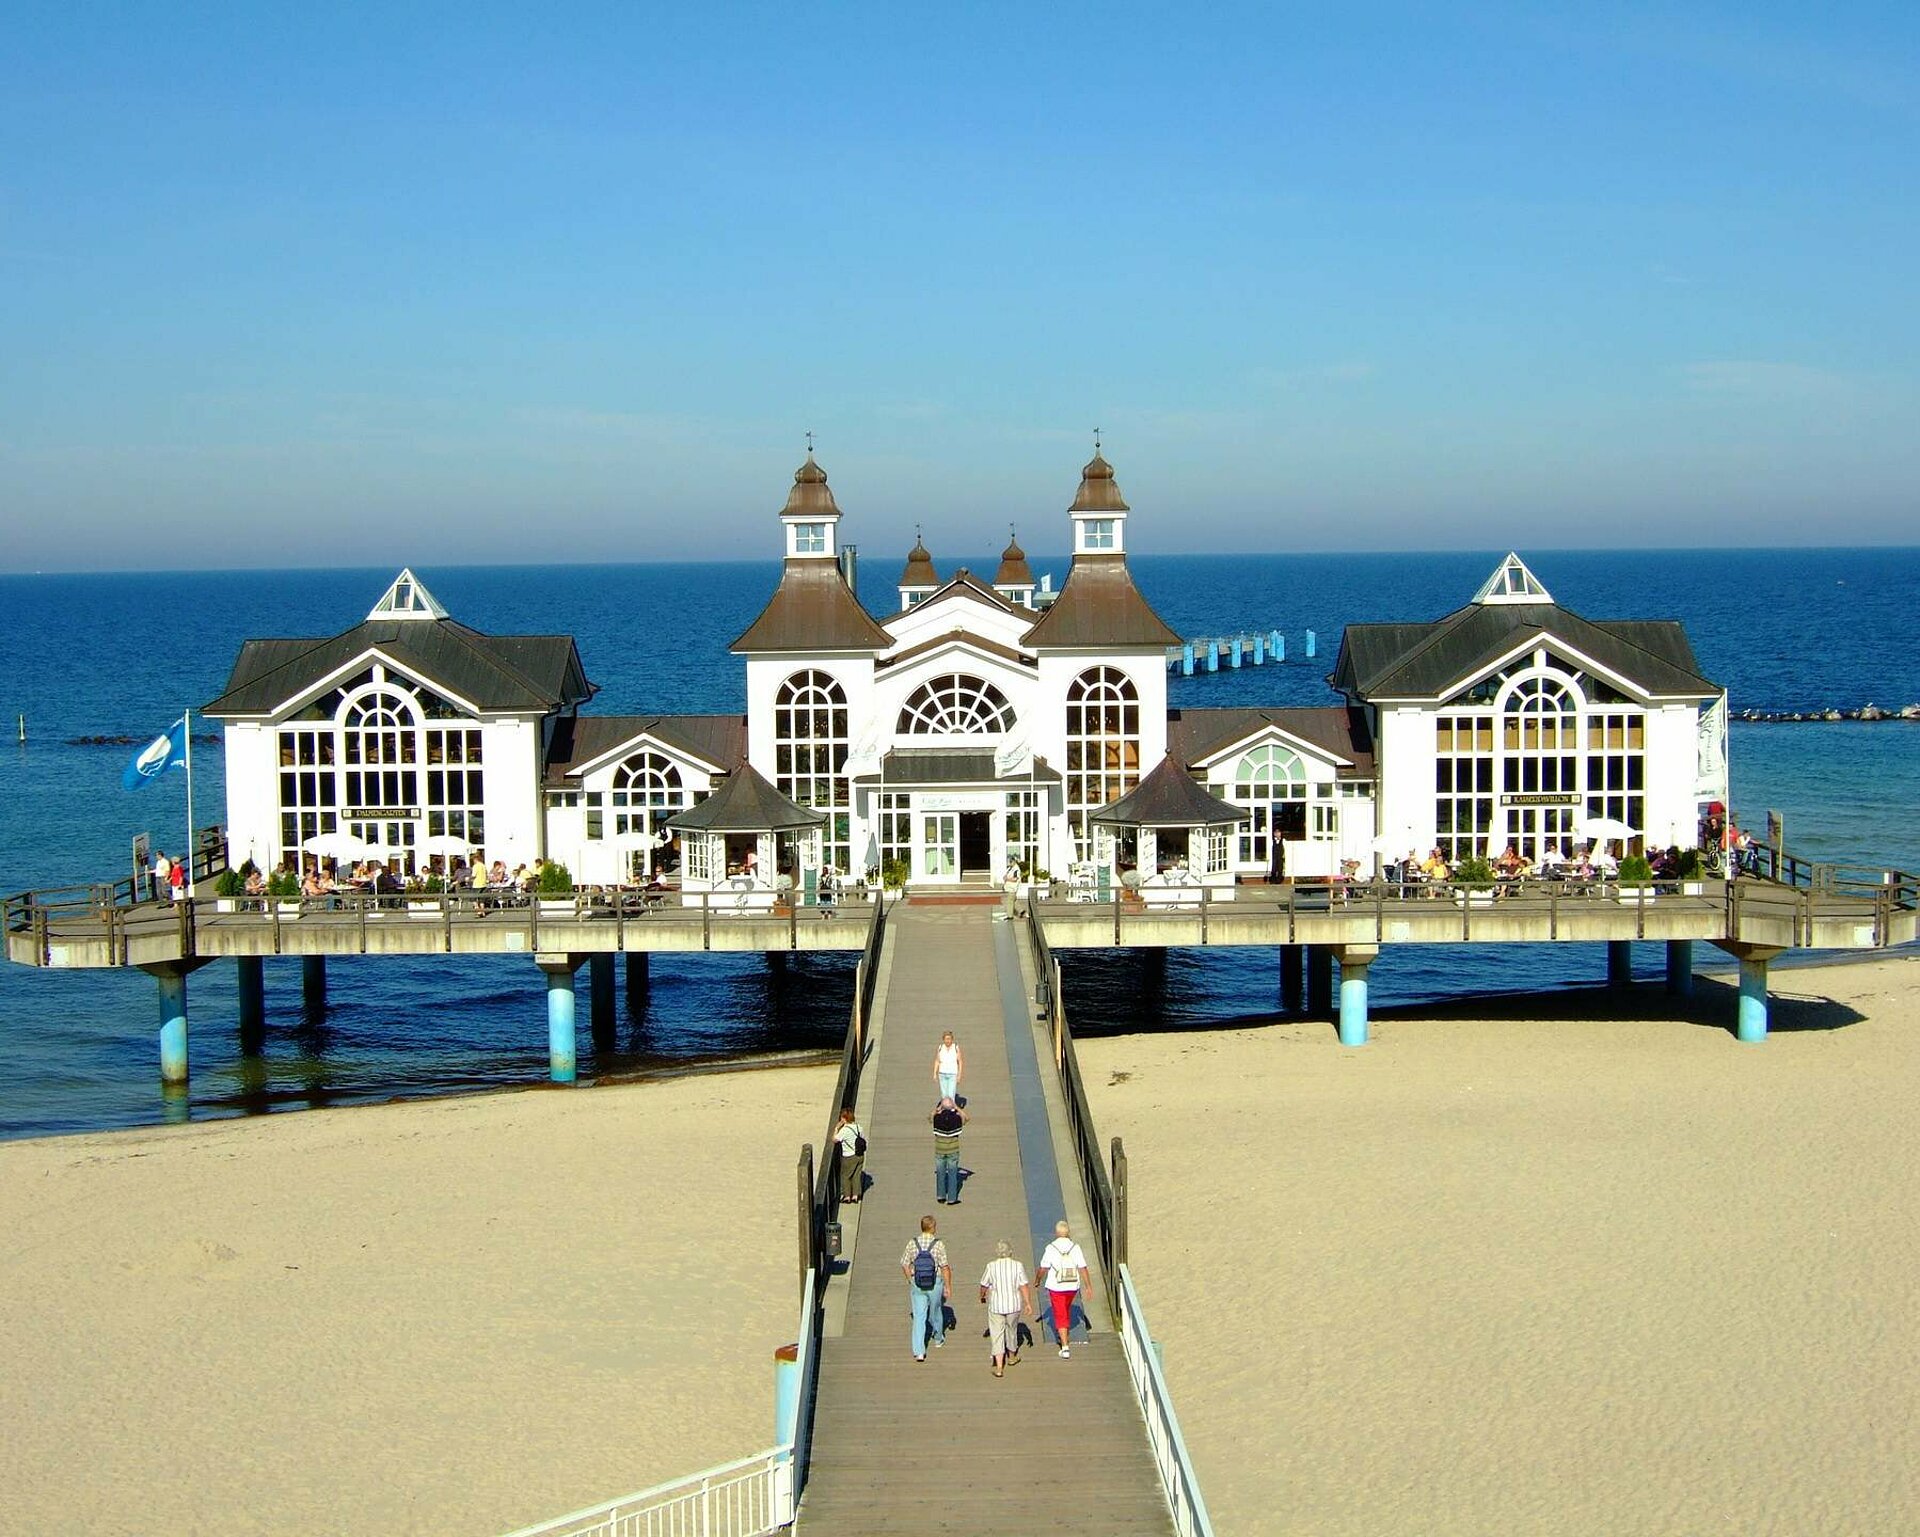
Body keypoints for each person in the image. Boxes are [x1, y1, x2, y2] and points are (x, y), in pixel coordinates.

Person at [979, 1239, 1033, 1378]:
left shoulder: (991, 1266)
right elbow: (1023, 1286)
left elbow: (984, 1284)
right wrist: (1027, 1303)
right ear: (1010, 1251)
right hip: (1013, 1305)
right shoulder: (1017, 1265)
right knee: (1012, 1330)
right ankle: (1012, 1357)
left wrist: (982, 1296)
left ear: (997, 1252)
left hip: (996, 1305)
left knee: (996, 1335)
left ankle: (998, 1367)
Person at [900, 1215, 951, 1361]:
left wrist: (910, 1279)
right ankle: (938, 1337)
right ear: (933, 1228)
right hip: (935, 1282)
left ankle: (919, 1351)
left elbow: (904, 1263)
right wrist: (948, 1286)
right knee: (936, 1311)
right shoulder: (938, 1244)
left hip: (918, 1282)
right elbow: (945, 1267)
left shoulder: (912, 1243)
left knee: (919, 1316)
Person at [1038, 1220, 1091, 1358]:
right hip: (1072, 1285)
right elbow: (1082, 1267)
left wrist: (1037, 1280)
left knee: (1060, 1313)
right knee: (1065, 1309)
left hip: (1056, 1286)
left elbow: (1043, 1268)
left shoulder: (1050, 1248)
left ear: (1056, 1233)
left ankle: (1065, 1347)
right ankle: (1064, 1332)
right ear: (1068, 1232)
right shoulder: (1075, 1247)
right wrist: (1088, 1286)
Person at [932, 1095, 968, 1204]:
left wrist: (938, 1109)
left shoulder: (937, 1118)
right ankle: (952, 1198)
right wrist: (957, 1108)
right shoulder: (956, 1118)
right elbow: (967, 1118)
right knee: (952, 1174)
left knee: (940, 1173)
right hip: (953, 1150)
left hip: (940, 1149)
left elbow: (930, 1117)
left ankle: (940, 1196)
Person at [834, 1106, 865, 1204]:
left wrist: (837, 1128)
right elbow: (862, 1138)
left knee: (846, 1176)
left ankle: (847, 1196)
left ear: (844, 1118)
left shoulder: (844, 1130)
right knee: (856, 1175)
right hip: (859, 1155)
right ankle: (856, 1195)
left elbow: (835, 1139)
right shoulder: (858, 1127)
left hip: (849, 1156)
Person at [934, 1031, 963, 1099]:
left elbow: (960, 1061)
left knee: (951, 1094)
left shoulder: (955, 1047)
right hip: (942, 1074)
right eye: (946, 1039)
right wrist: (935, 1073)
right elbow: (937, 1061)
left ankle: (952, 1108)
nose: (948, 1041)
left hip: (952, 1074)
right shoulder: (940, 1047)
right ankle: (945, 1107)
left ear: (952, 1039)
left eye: (949, 1039)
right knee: (944, 1094)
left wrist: (959, 1075)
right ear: (943, 1039)